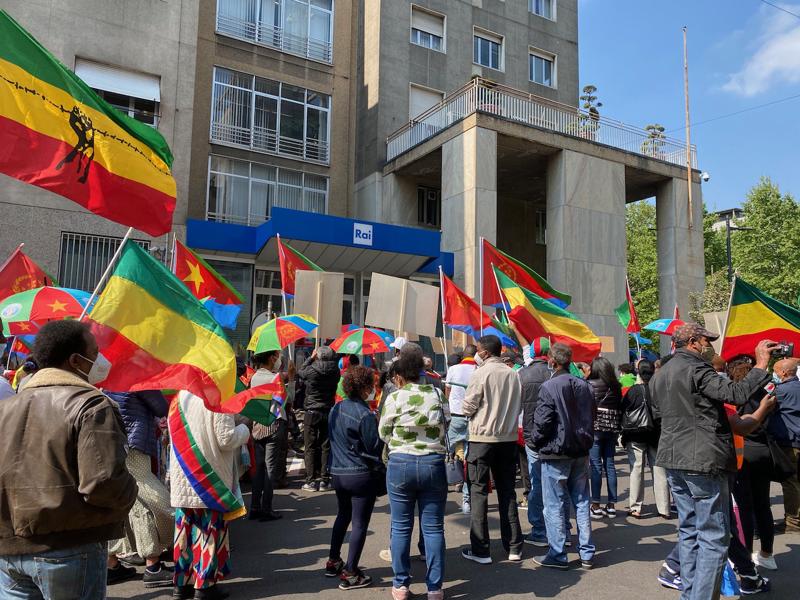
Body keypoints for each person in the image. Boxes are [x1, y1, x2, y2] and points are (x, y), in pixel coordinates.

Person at [0, 320, 137, 598]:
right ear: (75, 360)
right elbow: (104, 483)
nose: (100, 360)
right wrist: (131, 491)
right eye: (95, 353)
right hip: (70, 547)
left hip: (9, 552)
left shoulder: (6, 407)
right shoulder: (91, 404)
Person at [651, 323, 776, 600]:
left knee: (690, 532)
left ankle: (691, 595)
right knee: (714, 538)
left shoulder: (662, 373)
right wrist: (761, 364)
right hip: (701, 460)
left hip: (675, 458)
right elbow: (736, 394)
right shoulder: (696, 368)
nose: (709, 346)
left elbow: (659, 414)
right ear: (693, 342)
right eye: (706, 341)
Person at [658, 392, 776, 595]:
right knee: (715, 529)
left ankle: (747, 574)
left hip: (693, 464)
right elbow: (741, 426)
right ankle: (746, 575)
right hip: (713, 468)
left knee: (705, 527)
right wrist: (763, 409)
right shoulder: (715, 398)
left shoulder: (685, 397)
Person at [379, 343, 448, 600]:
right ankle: (435, 588)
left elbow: (383, 432)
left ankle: (400, 585)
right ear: (421, 370)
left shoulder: (395, 397)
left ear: (399, 372)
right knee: (433, 528)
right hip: (433, 463)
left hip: (400, 464)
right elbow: (448, 422)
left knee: (400, 527)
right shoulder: (437, 394)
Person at [169, 390, 250, 600]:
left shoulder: (179, 397)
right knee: (208, 532)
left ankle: (182, 584)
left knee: (184, 532)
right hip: (208, 477)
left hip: (183, 475)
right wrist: (244, 429)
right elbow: (226, 438)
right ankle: (204, 586)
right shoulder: (219, 396)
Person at [531, 342, 596, 570]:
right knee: (581, 501)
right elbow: (591, 416)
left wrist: (535, 441)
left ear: (552, 361)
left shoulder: (550, 386)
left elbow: (542, 421)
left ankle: (558, 554)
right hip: (580, 449)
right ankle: (586, 552)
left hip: (557, 451)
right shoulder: (584, 386)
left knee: (554, 505)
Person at [461, 335, 524, 565]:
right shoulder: (513, 374)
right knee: (507, 492)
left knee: (478, 492)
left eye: (478, 350)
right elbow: (518, 405)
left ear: (485, 352)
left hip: (482, 438)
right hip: (507, 438)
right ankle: (514, 546)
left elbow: (468, 405)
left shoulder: (481, 373)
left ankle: (481, 549)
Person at [106, 390, 174, 587]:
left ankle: (111, 564)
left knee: (123, 502)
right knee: (149, 498)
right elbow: (162, 407)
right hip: (133, 442)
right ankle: (153, 565)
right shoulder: (137, 379)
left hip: (113, 442)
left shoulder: (106, 379)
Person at [326, 365, 383, 590]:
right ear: (364, 388)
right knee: (359, 523)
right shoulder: (364, 414)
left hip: (338, 471)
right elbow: (374, 446)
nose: (372, 390)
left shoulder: (336, 408)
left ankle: (333, 560)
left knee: (343, 515)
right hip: (360, 474)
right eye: (371, 386)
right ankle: (351, 572)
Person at [727, 357, 778, 571]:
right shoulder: (768, 395)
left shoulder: (735, 397)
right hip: (764, 451)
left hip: (743, 452)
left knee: (744, 508)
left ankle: (745, 557)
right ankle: (767, 553)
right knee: (763, 504)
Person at [620, 359, 669, 519]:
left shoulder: (632, 391)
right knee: (659, 471)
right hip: (656, 435)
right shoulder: (659, 390)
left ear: (638, 373)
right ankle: (664, 508)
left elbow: (623, 411)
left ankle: (635, 507)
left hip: (635, 435)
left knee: (636, 470)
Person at [519, 337, 553, 547]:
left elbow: (516, 406)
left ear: (532, 353)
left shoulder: (522, 374)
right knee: (558, 483)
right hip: (557, 436)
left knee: (536, 483)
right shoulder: (558, 373)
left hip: (532, 435)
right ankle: (562, 530)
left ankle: (539, 531)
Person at [249, 351, 288, 520]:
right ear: (272, 358)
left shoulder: (254, 378)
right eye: (277, 356)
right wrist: (290, 379)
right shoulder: (275, 378)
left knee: (259, 468)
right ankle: (267, 508)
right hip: (274, 424)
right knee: (270, 469)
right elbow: (286, 400)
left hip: (258, 425)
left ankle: (254, 507)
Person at [299, 346, 340, 492]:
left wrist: (311, 358)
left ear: (318, 356)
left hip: (311, 410)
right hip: (328, 409)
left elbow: (301, 372)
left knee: (309, 446)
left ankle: (310, 481)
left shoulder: (311, 370)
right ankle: (324, 480)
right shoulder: (335, 371)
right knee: (325, 445)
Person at [587, 357, 623, 518]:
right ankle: (611, 505)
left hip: (595, 429)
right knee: (610, 465)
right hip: (612, 429)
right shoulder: (616, 386)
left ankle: (595, 504)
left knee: (595, 467)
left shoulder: (589, 385)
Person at [444, 344, 477, 514]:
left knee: (445, 454)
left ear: (463, 355)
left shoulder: (454, 369)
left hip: (455, 417)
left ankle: (440, 494)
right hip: (473, 418)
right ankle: (466, 500)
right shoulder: (479, 370)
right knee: (469, 461)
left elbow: (447, 392)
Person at [769, 358, 800, 532]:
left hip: (789, 442)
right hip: (794, 439)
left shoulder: (780, 391)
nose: (773, 374)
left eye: (774, 371)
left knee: (790, 482)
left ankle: (792, 521)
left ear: (783, 372)